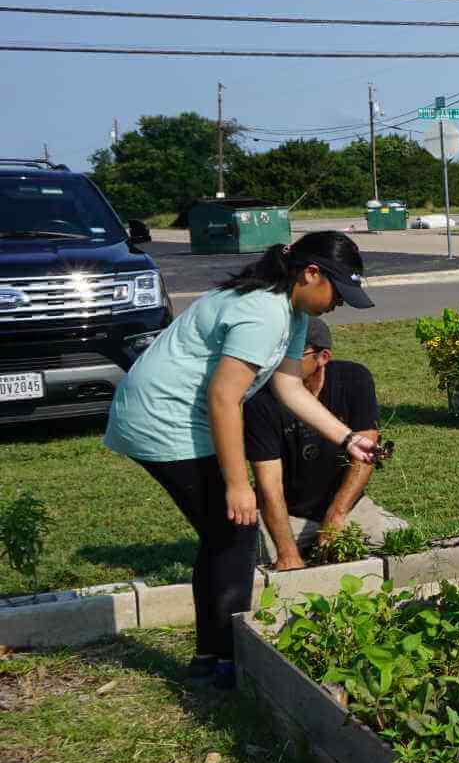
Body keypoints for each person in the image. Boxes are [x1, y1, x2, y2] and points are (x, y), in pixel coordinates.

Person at [103, 233, 381, 688]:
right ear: (311, 274)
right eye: (338, 292)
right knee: (235, 532)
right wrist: (238, 483)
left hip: (183, 416)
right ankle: (226, 661)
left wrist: (347, 437)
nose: (339, 305)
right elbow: (223, 397)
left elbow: (287, 387)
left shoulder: (288, 310)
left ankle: (211, 657)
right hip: (164, 418)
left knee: (222, 536)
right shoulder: (262, 312)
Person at [247, 317, 407, 569]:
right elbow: (269, 486)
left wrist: (336, 515)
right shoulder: (259, 401)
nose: (279, 361)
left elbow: (364, 456)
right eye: (276, 352)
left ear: (323, 357)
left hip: (348, 508)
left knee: (403, 542)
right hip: (285, 515)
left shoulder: (355, 379)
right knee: (244, 559)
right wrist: (288, 554)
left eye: (292, 353)